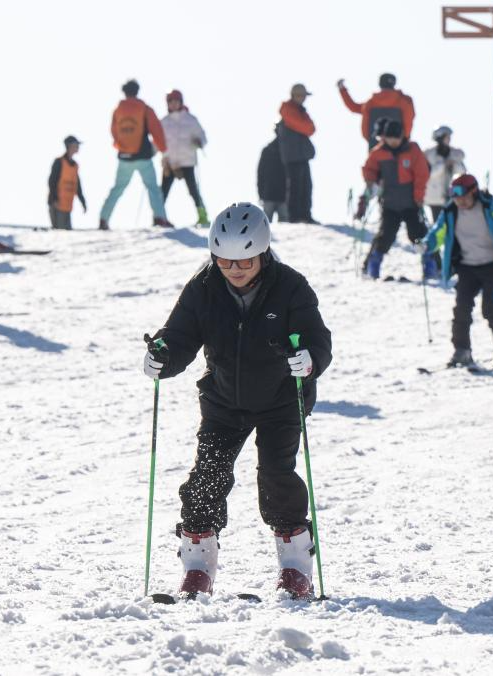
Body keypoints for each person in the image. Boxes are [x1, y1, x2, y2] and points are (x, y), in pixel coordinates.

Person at [142, 203, 333, 599]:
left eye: (245, 261)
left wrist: (310, 359)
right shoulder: (204, 288)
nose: (236, 269)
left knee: (277, 477)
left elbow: (318, 339)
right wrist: (163, 355)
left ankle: (296, 568)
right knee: (206, 479)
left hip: (281, 398)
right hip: (225, 399)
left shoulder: (291, 287)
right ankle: (197, 569)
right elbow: (179, 334)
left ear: (263, 253)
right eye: (226, 261)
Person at [423, 174, 493, 368]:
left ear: (474, 192)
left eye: (464, 196)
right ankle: (462, 351)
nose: (460, 201)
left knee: (491, 307)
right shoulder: (450, 212)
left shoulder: (491, 207)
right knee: (461, 309)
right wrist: (426, 245)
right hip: (467, 267)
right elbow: (437, 233)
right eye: (456, 197)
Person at [359, 120, 430, 279]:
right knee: (386, 235)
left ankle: (432, 266)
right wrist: (371, 182)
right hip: (389, 203)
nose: (393, 141)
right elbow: (369, 169)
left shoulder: (413, 150)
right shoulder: (378, 152)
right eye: (389, 138)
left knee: (418, 234)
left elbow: (421, 175)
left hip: (411, 202)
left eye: (395, 138)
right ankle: (371, 266)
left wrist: (418, 197)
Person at [99, 80, 173, 230]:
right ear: (137, 91)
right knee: (152, 188)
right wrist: (163, 150)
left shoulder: (117, 110)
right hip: (143, 157)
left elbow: (113, 131)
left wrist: (120, 146)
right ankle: (160, 218)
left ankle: (103, 218)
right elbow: (156, 130)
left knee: (118, 188)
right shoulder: (144, 109)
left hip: (124, 157)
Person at [160, 89, 209, 226]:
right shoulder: (164, 122)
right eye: (171, 102)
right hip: (170, 163)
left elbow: (202, 136)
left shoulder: (190, 120)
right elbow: (158, 141)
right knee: (162, 192)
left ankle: (203, 216)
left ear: (181, 102)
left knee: (193, 190)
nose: (174, 104)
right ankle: (159, 217)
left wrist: (199, 142)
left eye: (176, 101)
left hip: (187, 161)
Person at [337, 73, 415, 149]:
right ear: (394, 84)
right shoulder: (404, 102)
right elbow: (408, 121)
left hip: (375, 146)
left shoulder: (371, 103)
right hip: (399, 147)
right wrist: (404, 139)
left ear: (380, 84)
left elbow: (353, 107)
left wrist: (342, 89)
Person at [276, 84, 317, 224]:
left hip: (301, 155)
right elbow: (308, 128)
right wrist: (306, 126)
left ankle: (305, 215)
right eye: (302, 95)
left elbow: (310, 128)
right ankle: (295, 217)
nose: (304, 98)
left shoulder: (299, 110)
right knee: (296, 187)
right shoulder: (289, 110)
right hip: (293, 156)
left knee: (306, 186)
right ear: (295, 95)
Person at [424, 125, 467, 222]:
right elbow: (429, 174)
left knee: (452, 222)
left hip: (452, 195)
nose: (449, 139)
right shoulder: (429, 154)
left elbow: (462, 172)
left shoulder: (455, 154)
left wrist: (454, 164)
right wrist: (443, 165)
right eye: (446, 137)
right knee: (438, 223)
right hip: (434, 197)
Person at [47, 135, 87, 229]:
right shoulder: (59, 162)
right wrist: (54, 199)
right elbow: (51, 181)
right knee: (60, 234)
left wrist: (83, 202)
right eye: (76, 144)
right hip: (57, 205)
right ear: (69, 146)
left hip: (67, 206)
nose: (78, 147)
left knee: (67, 234)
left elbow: (77, 186)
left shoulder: (75, 166)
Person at [257, 136, 288, 223]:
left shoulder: (267, 150)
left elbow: (260, 174)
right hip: (278, 195)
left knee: (265, 225)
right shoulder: (287, 151)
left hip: (272, 195)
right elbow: (260, 174)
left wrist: (260, 194)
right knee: (267, 225)